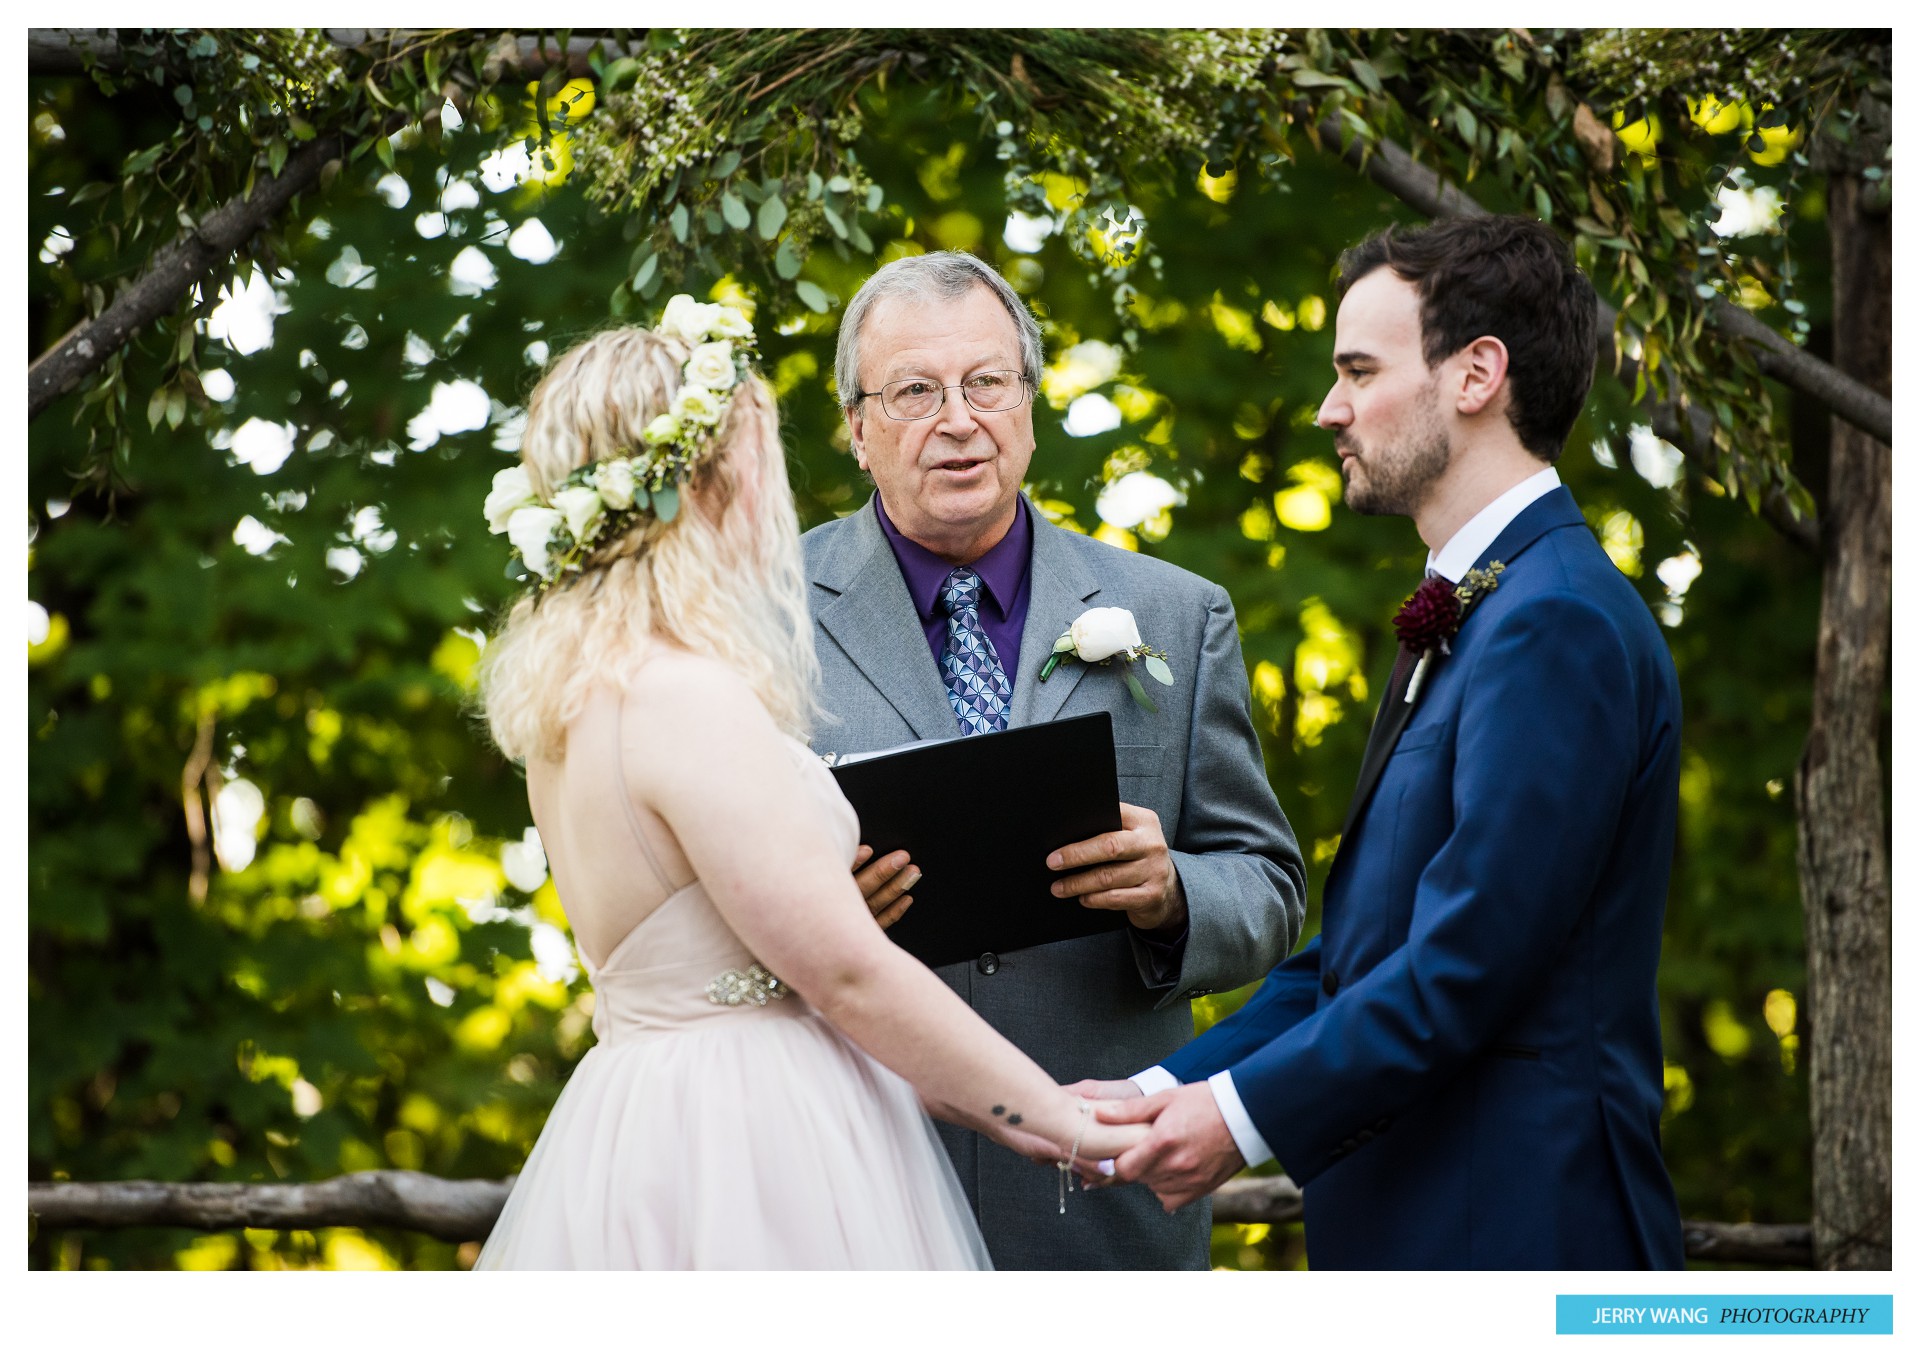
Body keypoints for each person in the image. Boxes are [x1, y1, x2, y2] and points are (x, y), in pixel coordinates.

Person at [469, 298, 1142, 1269]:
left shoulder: (573, 701)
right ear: (703, 481)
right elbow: (848, 972)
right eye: (754, 455)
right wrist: (1059, 1118)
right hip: (748, 1135)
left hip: (633, 1126)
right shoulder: (684, 693)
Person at [1089, 214, 1688, 1270]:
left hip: (1515, 1230)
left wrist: (1237, 1118)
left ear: (1476, 375)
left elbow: (1467, 966)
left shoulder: (1558, 621)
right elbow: (1355, 961)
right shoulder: (1476, 606)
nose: (1330, 409)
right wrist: (1160, 1092)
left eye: (1359, 370)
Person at [803, 251, 1305, 1270]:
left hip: (1100, 1200)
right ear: (857, 428)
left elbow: (1269, 888)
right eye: (913, 391)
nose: (957, 418)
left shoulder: (1174, 611)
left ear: (1030, 405)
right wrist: (808, 910)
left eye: (987, 382)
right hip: (853, 1183)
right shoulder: (757, 616)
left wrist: (1172, 895)